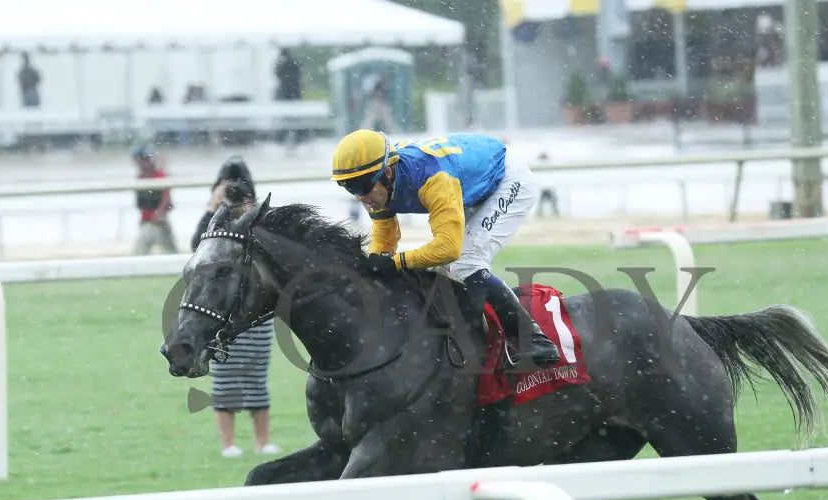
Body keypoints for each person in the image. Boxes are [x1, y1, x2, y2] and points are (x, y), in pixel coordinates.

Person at [330, 130, 561, 368]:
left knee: (465, 262)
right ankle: (474, 338)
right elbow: (385, 235)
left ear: (388, 173)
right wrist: (376, 260)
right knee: (449, 270)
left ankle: (534, 340)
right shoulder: (379, 185)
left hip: (506, 179)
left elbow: (448, 248)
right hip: (468, 181)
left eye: (362, 186)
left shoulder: (432, 180)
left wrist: (396, 262)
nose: (359, 196)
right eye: (350, 188)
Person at [192, 156, 280, 458]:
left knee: (257, 378)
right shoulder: (215, 225)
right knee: (225, 378)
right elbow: (196, 245)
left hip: (255, 316)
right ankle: (229, 445)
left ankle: (262, 442)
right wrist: (212, 207)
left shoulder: (259, 222)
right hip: (220, 314)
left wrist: (248, 210)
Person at [131, 144, 177, 255]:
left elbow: (166, 195)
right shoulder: (141, 177)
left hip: (157, 220)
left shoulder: (158, 175)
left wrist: (159, 213)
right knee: (169, 250)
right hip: (149, 220)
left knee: (142, 250)